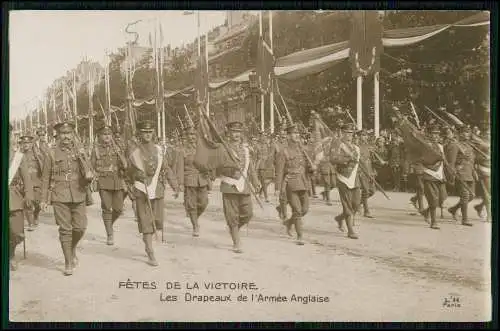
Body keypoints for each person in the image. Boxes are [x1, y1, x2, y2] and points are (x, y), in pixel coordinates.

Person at [40, 121, 93, 276]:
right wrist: (43, 199)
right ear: (58, 135)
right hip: (59, 194)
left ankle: (71, 248)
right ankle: (68, 261)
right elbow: (45, 178)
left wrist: (88, 171)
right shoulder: (51, 153)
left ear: (72, 134)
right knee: (65, 229)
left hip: (78, 192)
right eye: (63, 134)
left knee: (80, 227)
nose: (66, 137)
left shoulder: (80, 151)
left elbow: (89, 170)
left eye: (69, 133)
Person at [128, 120, 179, 266]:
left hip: (157, 190)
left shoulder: (159, 150)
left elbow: (166, 169)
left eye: (150, 132)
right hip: (141, 189)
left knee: (157, 220)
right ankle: (150, 251)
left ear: (153, 133)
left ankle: (148, 242)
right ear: (139, 134)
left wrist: (175, 185)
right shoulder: (134, 152)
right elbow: (128, 172)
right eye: (144, 132)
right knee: (146, 221)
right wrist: (136, 175)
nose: (147, 135)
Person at [210, 121, 260, 253]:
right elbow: (217, 165)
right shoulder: (223, 148)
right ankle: (236, 241)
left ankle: (234, 228)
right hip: (229, 184)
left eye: (238, 132)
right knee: (232, 215)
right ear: (229, 133)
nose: (236, 134)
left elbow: (251, 168)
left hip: (244, 185)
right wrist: (229, 167)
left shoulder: (246, 149)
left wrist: (255, 182)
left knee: (248, 213)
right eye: (233, 132)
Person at [276, 123, 314, 245]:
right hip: (290, 183)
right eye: (294, 133)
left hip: (303, 182)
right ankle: (300, 236)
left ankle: (288, 222)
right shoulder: (283, 151)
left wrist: (311, 168)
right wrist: (278, 188)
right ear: (287, 136)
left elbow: (307, 168)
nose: (297, 136)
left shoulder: (303, 150)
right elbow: (280, 170)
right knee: (297, 210)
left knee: (305, 209)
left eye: (297, 133)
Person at [90, 124, 128, 245]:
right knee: (107, 207)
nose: (107, 136)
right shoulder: (96, 150)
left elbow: (125, 165)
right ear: (99, 136)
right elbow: (91, 166)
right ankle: (109, 234)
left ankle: (109, 223)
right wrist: (94, 177)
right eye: (104, 134)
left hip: (117, 181)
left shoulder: (117, 148)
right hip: (103, 181)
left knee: (118, 208)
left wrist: (119, 153)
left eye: (109, 134)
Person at [175, 124, 209, 237]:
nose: (192, 137)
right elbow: (179, 168)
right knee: (191, 204)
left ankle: (194, 217)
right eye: (190, 134)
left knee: (203, 203)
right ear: (186, 136)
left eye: (194, 134)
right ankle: (195, 225)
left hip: (202, 179)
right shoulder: (182, 150)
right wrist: (180, 183)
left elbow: (207, 163)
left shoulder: (202, 148)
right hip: (189, 179)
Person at [9, 124, 34, 271]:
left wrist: (29, 196)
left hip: (14, 197)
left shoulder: (18, 157)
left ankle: (10, 252)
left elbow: (27, 179)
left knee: (17, 232)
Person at [329, 123, 360, 239]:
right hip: (343, 177)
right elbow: (332, 158)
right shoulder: (337, 144)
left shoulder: (355, 147)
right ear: (342, 133)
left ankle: (340, 218)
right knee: (347, 205)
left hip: (355, 177)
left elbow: (358, 162)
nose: (349, 135)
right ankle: (350, 230)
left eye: (351, 133)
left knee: (356, 204)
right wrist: (346, 160)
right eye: (347, 133)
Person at [446, 125, 475, 226]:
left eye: (467, 132)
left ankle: (453, 209)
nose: (466, 134)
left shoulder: (469, 146)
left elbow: (471, 160)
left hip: (469, 173)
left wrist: (474, 171)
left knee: (471, 196)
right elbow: (451, 162)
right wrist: (452, 174)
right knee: (465, 196)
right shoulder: (455, 145)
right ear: (459, 134)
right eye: (463, 132)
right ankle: (465, 219)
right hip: (460, 173)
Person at [420, 125, 448, 229]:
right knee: (433, 199)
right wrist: (435, 160)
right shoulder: (425, 145)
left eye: (437, 134)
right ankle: (434, 222)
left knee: (442, 197)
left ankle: (425, 212)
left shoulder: (440, 146)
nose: (436, 136)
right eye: (433, 133)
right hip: (429, 174)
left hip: (439, 175)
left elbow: (443, 161)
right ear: (429, 134)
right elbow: (424, 160)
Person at [19, 135, 44, 231]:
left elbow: (42, 168)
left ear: (31, 144)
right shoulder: (19, 156)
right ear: (22, 144)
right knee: (27, 202)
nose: (26, 145)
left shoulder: (37, 155)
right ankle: (31, 222)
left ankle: (36, 215)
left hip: (36, 182)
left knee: (37, 202)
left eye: (28, 143)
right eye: (24, 143)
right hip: (24, 183)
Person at [357, 129, 377, 218]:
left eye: (365, 135)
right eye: (362, 135)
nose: (364, 137)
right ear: (358, 136)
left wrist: (373, 171)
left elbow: (370, 160)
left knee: (372, 191)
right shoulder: (356, 147)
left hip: (369, 170)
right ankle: (366, 211)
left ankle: (358, 204)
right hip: (362, 171)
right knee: (365, 190)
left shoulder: (368, 146)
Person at [473, 128, 490, 221]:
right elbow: (476, 159)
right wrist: (485, 158)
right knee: (488, 193)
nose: (489, 135)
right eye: (487, 133)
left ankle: (479, 207)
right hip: (485, 170)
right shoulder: (481, 145)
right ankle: (489, 216)